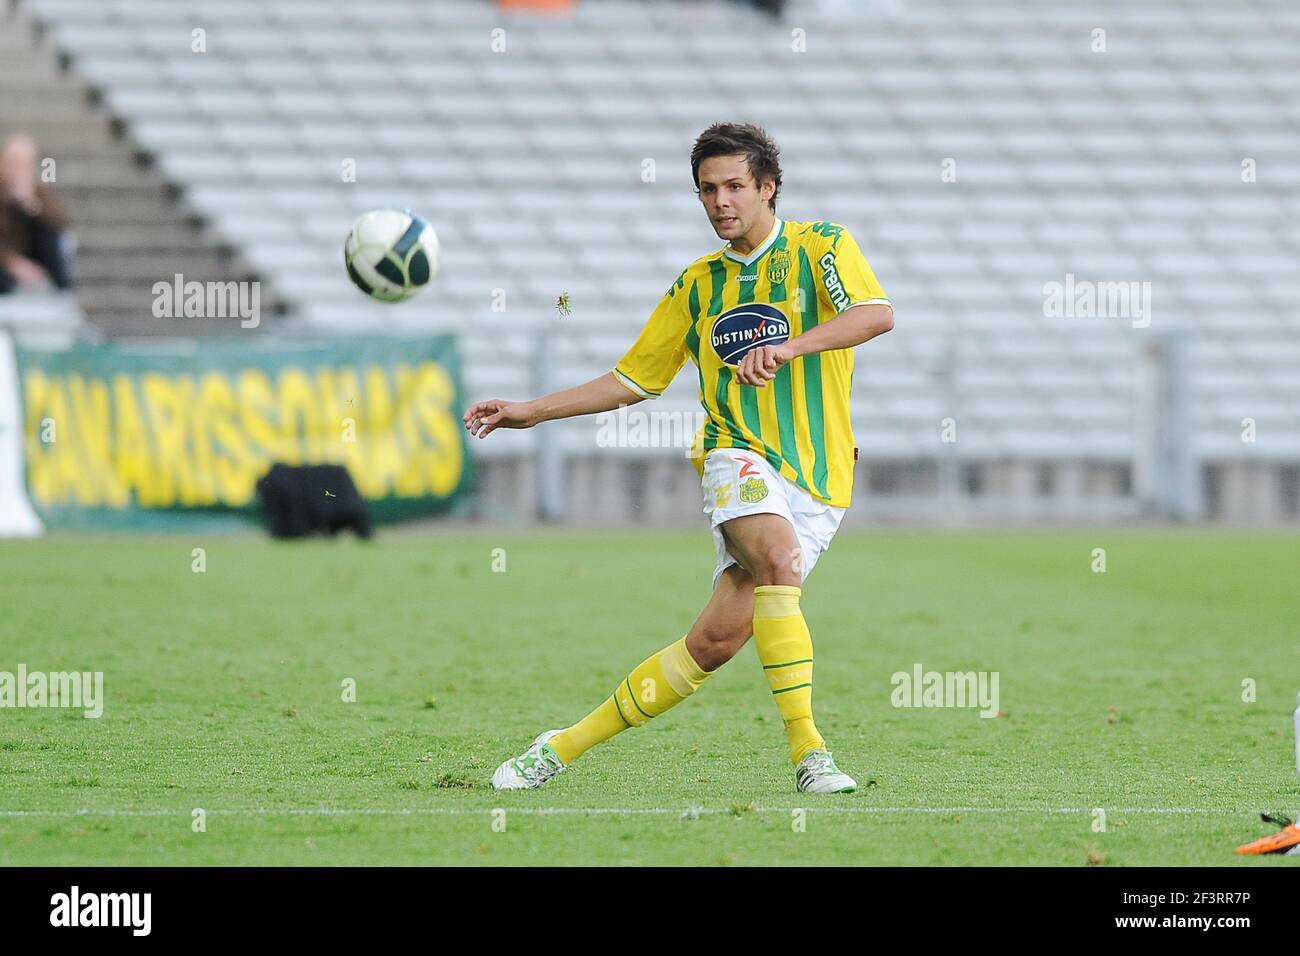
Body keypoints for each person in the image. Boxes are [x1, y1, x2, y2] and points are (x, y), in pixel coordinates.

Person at [465, 122, 894, 793]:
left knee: (713, 646)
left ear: (768, 188)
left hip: (821, 474)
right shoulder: (696, 286)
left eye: (733, 186)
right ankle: (810, 754)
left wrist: (791, 346)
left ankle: (560, 747)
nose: (720, 201)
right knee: (778, 559)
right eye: (707, 190)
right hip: (735, 454)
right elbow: (635, 379)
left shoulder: (822, 247)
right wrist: (533, 410)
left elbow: (875, 314)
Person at [0, 134, 73, 294]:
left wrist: (30, 205)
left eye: (24, 164)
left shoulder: (41, 194)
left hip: (36, 264)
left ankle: (62, 294)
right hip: (6, 266)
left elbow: (59, 226)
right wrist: (11, 262)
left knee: (52, 237)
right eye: (14, 163)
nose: (18, 170)